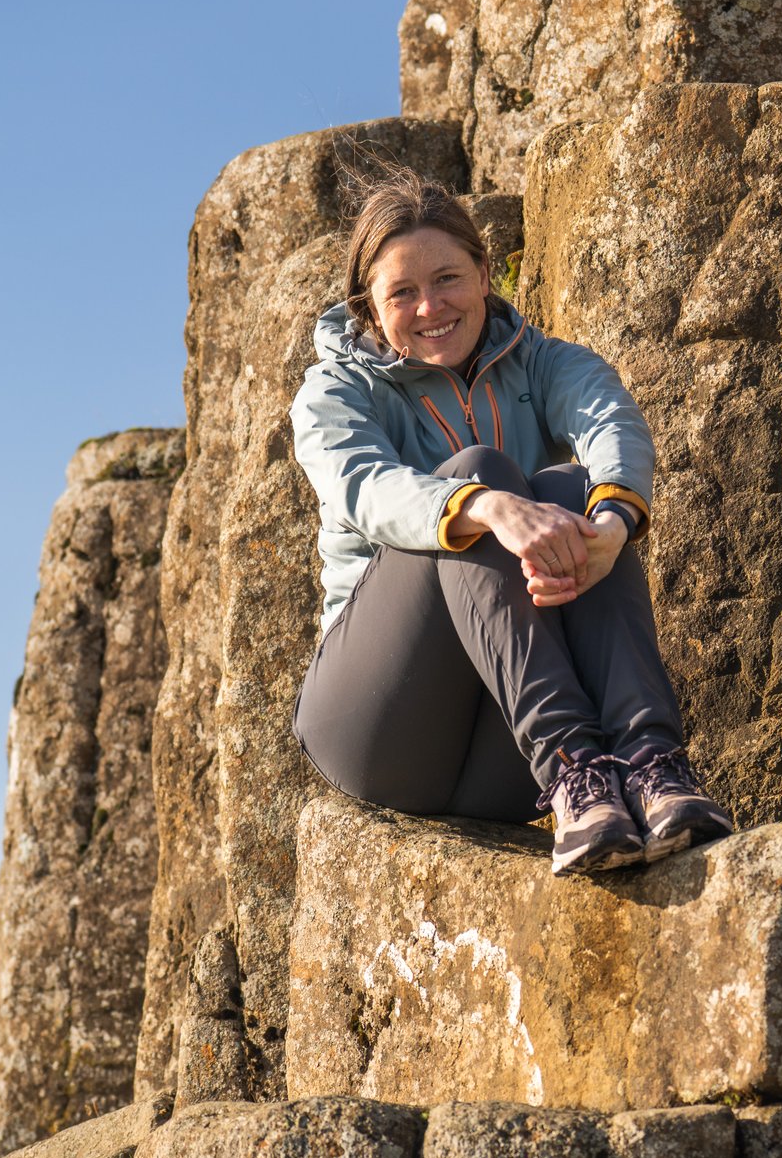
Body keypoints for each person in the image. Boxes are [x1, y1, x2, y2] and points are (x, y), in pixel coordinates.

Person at [288, 167, 732, 875]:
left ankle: (647, 765)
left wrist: (613, 524)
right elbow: (363, 486)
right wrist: (482, 504)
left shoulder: (540, 361)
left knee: (578, 489)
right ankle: (573, 766)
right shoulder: (335, 390)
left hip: (504, 760)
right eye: (402, 293)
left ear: (485, 273)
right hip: (379, 727)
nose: (430, 306)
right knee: (479, 472)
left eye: (448, 279)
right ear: (369, 307)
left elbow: (607, 417)